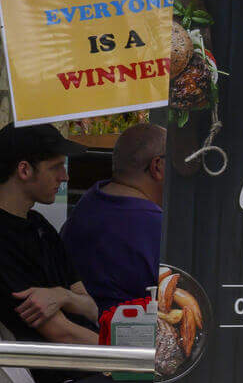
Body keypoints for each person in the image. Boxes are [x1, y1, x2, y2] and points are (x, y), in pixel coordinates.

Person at [0, 123, 94, 383]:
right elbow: (61, 333)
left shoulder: (38, 225)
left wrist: (63, 297)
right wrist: (126, 354)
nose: (65, 176)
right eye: (56, 167)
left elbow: (90, 304)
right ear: (24, 170)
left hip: (90, 366)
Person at [62, 122, 167, 315]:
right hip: (127, 339)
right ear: (157, 166)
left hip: (83, 330)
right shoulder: (156, 225)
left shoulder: (88, 202)